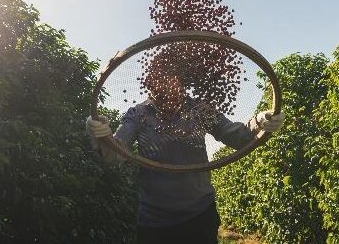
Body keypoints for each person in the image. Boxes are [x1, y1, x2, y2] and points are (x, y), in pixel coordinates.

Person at [86, 74, 284, 244]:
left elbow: (237, 136)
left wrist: (260, 122)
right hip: (154, 220)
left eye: (172, 80)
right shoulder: (138, 114)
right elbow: (116, 155)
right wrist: (102, 136)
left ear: (181, 81)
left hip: (199, 213)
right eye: (158, 81)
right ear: (150, 83)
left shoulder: (199, 109)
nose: (166, 87)